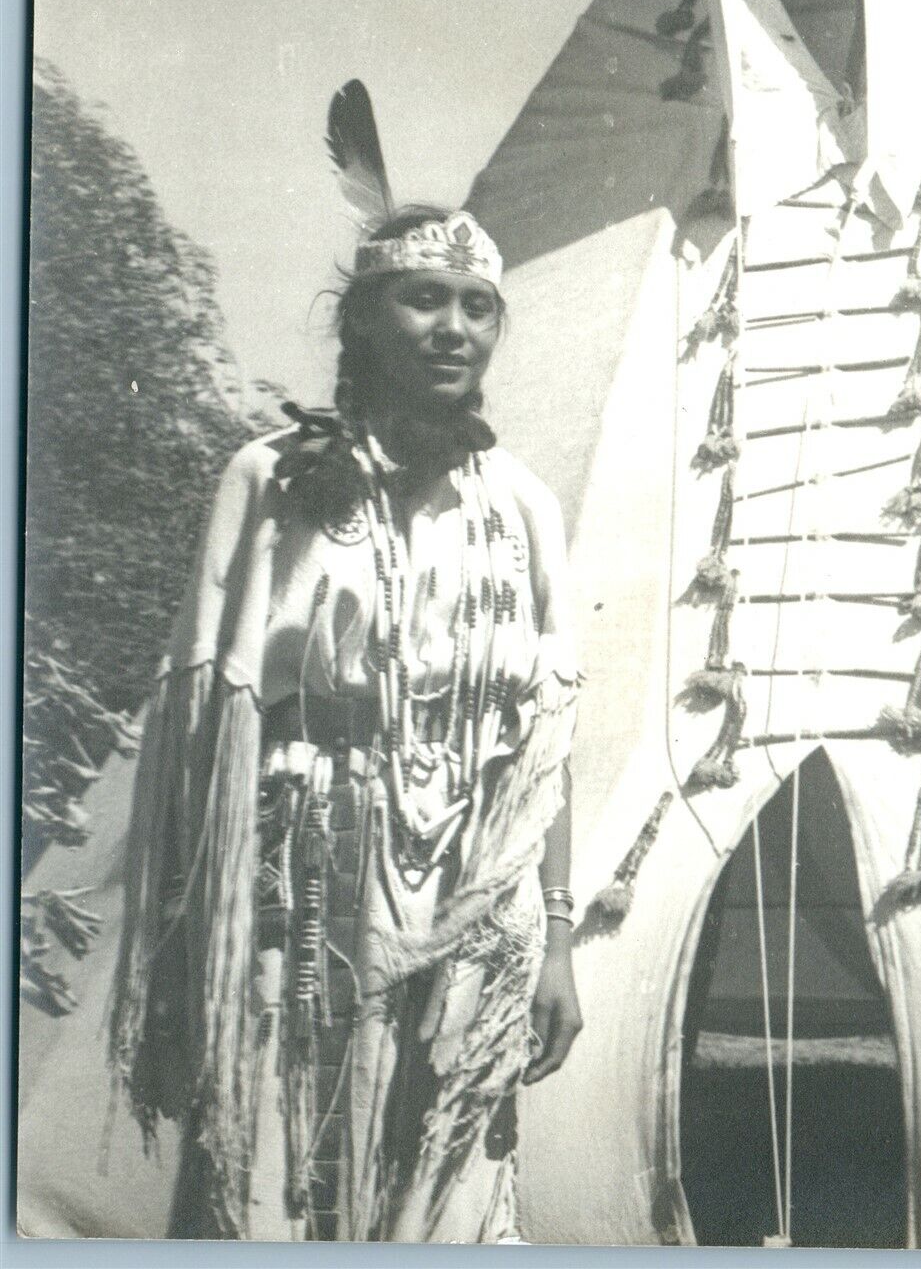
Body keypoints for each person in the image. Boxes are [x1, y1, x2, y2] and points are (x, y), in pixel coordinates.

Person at [108, 114, 583, 1243]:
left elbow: (544, 747)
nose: (452, 328)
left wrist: (557, 939)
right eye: (423, 300)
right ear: (361, 317)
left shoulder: (520, 506)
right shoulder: (265, 481)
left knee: (447, 1184)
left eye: (476, 308)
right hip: (299, 895)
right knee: (279, 1179)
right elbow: (199, 734)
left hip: (473, 909)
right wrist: (187, 955)